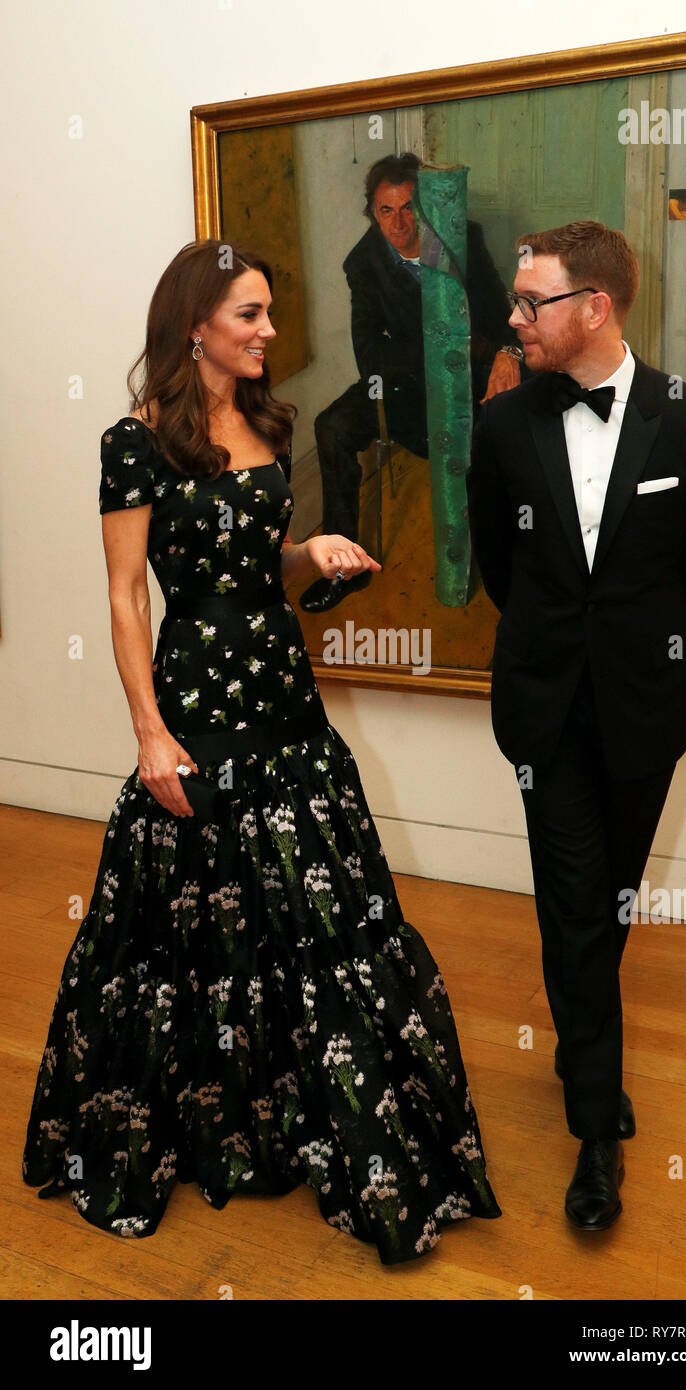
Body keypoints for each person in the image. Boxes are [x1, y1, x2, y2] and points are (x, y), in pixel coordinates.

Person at [22, 238, 501, 1263]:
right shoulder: (134, 440)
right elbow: (124, 595)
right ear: (195, 323)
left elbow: (256, 565)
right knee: (193, 919)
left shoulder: (269, 422)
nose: (269, 331)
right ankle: (205, 1116)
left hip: (284, 693)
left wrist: (310, 552)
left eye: (270, 313)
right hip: (194, 703)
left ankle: (311, 1117)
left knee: (322, 914)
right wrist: (150, 732)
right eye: (249, 314)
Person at [466, 220, 686, 1231]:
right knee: (576, 902)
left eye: (529, 300)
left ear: (594, 307)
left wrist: (650, 644)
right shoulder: (502, 426)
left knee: (608, 898)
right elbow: (503, 562)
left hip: (640, 706)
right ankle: (596, 1134)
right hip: (542, 709)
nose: (513, 317)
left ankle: (580, 1037)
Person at [300, 152, 521, 613]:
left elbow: (499, 314)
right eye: (386, 210)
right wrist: (438, 345)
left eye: (408, 208)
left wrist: (507, 353)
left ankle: (507, 566)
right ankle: (344, 567)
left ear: (425, 210)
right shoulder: (362, 263)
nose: (399, 223)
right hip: (402, 386)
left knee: (502, 435)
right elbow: (368, 353)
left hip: (470, 376)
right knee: (331, 427)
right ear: (372, 213)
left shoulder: (461, 238)